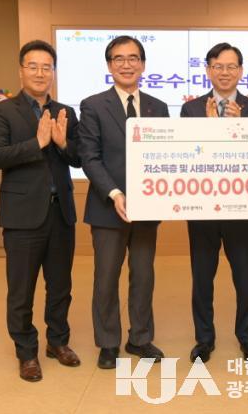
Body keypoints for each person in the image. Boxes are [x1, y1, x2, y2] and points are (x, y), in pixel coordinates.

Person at [0, 40, 81, 382]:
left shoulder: (65, 111)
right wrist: (37, 144)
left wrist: (63, 143)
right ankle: (26, 352)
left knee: (61, 286)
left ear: (53, 72)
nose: (40, 73)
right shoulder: (2, 111)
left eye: (47, 67)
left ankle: (58, 341)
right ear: (21, 70)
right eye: (33, 66)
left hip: (61, 214)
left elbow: (79, 158)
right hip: (22, 215)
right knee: (21, 290)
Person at [77, 36, 169, 370]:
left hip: (147, 208)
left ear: (142, 64)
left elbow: (166, 156)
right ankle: (108, 343)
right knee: (106, 278)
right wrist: (115, 193)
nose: (126, 64)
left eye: (133, 58)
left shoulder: (159, 107)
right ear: (109, 65)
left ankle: (140, 338)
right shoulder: (93, 105)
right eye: (119, 59)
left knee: (143, 276)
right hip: (107, 208)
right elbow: (89, 157)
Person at [180, 43, 248, 363]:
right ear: (208, 70)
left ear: (241, 71)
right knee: (202, 280)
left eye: (231, 66)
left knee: (245, 280)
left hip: (242, 211)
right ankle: (204, 340)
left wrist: (238, 129)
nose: (225, 72)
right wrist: (208, 130)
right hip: (202, 210)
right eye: (218, 66)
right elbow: (186, 158)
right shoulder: (190, 110)